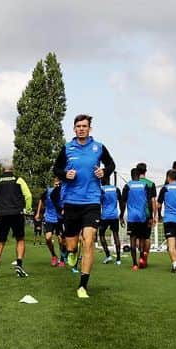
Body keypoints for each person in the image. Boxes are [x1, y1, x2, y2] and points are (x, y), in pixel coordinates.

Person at [52, 114, 116, 299]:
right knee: (71, 244)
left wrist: (104, 171)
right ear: (74, 129)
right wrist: (65, 175)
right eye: (78, 126)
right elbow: (56, 169)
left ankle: (83, 285)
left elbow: (111, 164)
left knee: (89, 240)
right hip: (71, 201)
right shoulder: (67, 148)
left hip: (92, 200)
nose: (81, 128)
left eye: (84, 126)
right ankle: (71, 253)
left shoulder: (99, 147)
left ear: (90, 129)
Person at [0, 162, 33, 279]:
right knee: (20, 239)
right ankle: (19, 265)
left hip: (2, 214)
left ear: (2, 170)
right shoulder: (19, 180)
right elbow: (28, 195)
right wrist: (27, 209)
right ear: (13, 169)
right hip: (17, 213)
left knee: (0, 242)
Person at [156, 169, 176, 273]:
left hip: (169, 219)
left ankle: (175, 265)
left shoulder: (165, 189)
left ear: (168, 177)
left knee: (171, 244)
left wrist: (159, 215)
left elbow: (159, 204)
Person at [120, 167, 152, 271]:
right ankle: (142, 258)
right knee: (142, 238)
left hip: (132, 218)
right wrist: (150, 216)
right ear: (139, 176)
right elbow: (149, 202)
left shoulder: (127, 186)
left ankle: (134, 264)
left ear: (131, 175)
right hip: (142, 217)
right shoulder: (144, 185)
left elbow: (123, 202)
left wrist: (121, 215)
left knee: (133, 240)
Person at [35, 177, 64, 266]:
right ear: (53, 183)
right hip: (49, 218)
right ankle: (54, 256)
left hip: (59, 218)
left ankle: (62, 259)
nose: (57, 186)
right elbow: (41, 199)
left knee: (61, 240)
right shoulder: (48, 191)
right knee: (48, 238)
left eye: (59, 184)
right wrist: (38, 213)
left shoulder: (63, 192)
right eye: (56, 184)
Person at [135, 162, 156, 265]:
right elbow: (153, 201)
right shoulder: (151, 184)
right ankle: (145, 258)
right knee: (147, 237)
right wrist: (154, 216)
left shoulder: (133, 184)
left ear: (137, 171)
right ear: (145, 171)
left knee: (138, 237)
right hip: (147, 214)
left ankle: (140, 257)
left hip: (135, 214)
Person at [99, 177, 122, 265]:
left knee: (101, 235)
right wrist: (121, 214)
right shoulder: (116, 189)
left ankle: (108, 255)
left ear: (102, 181)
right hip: (114, 216)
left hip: (104, 216)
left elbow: (99, 202)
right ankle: (118, 259)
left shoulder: (101, 189)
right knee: (116, 235)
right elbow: (121, 202)